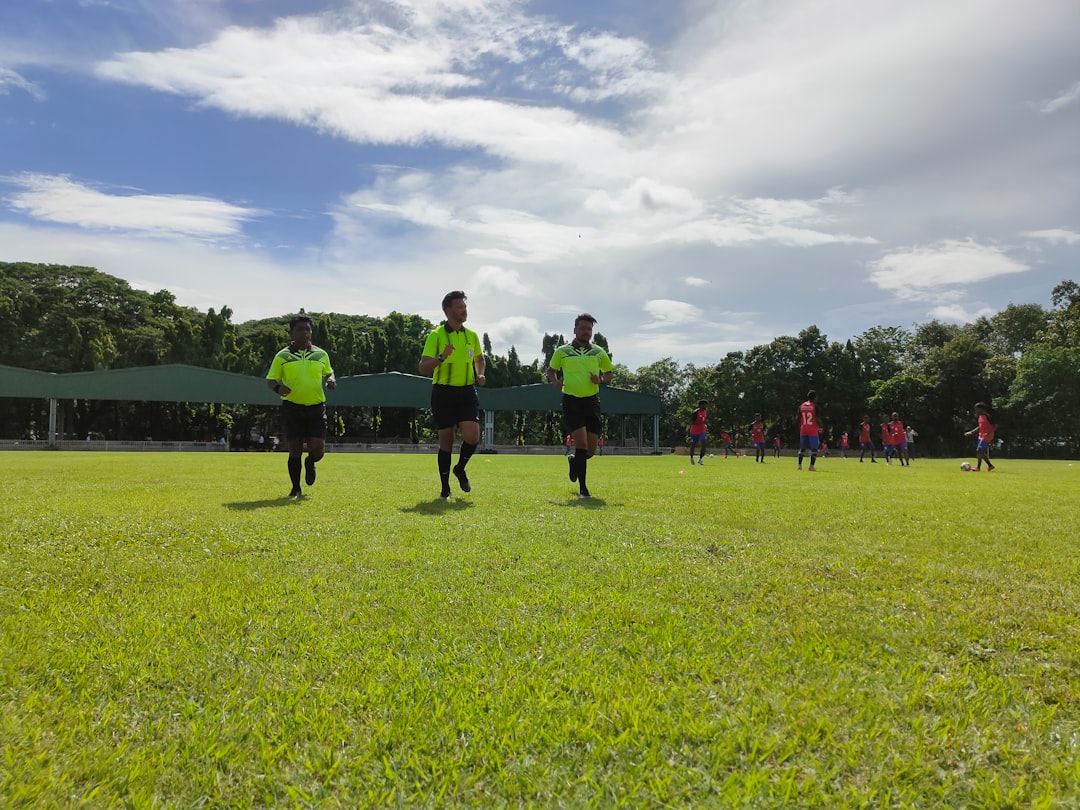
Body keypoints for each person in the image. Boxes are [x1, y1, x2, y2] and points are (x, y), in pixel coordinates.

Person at [418, 290, 487, 498]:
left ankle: (460, 468)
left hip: (466, 391)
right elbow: (423, 367)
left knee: (472, 436)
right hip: (443, 393)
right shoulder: (436, 335)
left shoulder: (471, 336)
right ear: (448, 310)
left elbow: (480, 358)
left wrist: (480, 373)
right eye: (459, 307)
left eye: (465, 307)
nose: (464, 310)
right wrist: (441, 357)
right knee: (446, 441)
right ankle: (445, 488)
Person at [265, 314, 337, 498]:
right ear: (291, 332)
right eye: (300, 329)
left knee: (318, 450)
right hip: (293, 408)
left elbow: (329, 373)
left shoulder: (321, 354)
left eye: (307, 329)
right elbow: (271, 380)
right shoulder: (283, 356)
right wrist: (279, 388)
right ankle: (295, 488)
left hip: (316, 408)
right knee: (295, 449)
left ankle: (311, 462)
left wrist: (330, 380)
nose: (305, 333)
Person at [546, 313, 613, 498]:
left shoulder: (598, 352)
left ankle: (573, 461)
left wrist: (599, 379)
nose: (586, 332)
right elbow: (550, 371)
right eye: (582, 328)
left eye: (589, 329)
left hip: (592, 402)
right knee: (581, 444)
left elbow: (608, 374)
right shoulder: (563, 351)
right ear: (575, 330)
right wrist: (555, 381)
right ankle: (583, 489)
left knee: (590, 450)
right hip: (572, 401)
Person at [964, 401, 997, 471]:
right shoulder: (980, 417)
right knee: (980, 452)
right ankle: (990, 466)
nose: (976, 410)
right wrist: (971, 432)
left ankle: (978, 467)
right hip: (981, 436)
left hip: (987, 436)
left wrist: (988, 433)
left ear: (981, 409)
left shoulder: (988, 416)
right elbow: (980, 427)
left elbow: (995, 426)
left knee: (979, 450)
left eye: (977, 409)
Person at [797, 390, 821, 471]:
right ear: (814, 398)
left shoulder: (801, 406)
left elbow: (798, 418)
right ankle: (811, 466)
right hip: (812, 430)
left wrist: (801, 426)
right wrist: (821, 426)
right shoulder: (814, 406)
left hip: (803, 429)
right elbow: (817, 418)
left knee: (802, 448)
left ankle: (799, 465)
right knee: (814, 448)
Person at [688, 399, 708, 465]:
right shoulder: (695, 412)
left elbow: (704, 420)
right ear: (700, 406)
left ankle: (700, 459)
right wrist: (700, 423)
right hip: (694, 431)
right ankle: (691, 458)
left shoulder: (705, 411)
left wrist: (705, 425)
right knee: (693, 444)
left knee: (704, 444)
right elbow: (692, 422)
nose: (705, 406)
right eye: (704, 404)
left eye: (705, 404)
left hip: (702, 431)